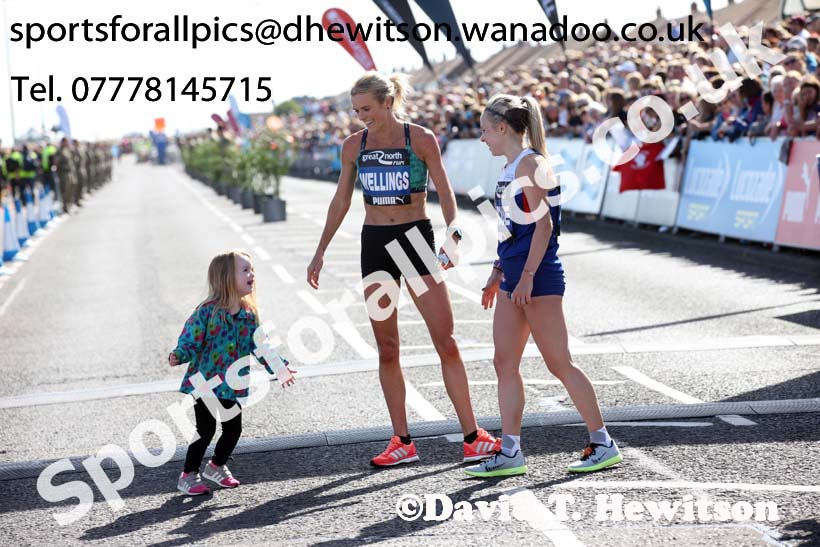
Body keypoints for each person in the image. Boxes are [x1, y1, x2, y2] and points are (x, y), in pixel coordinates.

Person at [307, 72, 500, 467]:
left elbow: (445, 191)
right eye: (356, 109)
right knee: (388, 348)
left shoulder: (420, 139)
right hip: (374, 245)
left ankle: (471, 435)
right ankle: (402, 440)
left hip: (415, 240)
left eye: (367, 109)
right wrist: (320, 250)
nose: (361, 116)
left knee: (445, 340)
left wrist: (454, 233)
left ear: (387, 103)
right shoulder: (353, 146)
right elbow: (341, 200)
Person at [464, 94, 623, 478]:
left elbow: (543, 226)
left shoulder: (532, 164)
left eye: (486, 130)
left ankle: (603, 442)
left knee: (558, 363)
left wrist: (528, 277)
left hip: (539, 276)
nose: (482, 138)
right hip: (515, 275)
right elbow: (510, 228)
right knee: (504, 362)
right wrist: (499, 272)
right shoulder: (510, 167)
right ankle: (511, 451)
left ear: (503, 128)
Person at [170, 250, 294, 495]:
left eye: (252, 269)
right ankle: (188, 474)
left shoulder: (249, 315)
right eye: (245, 270)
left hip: (231, 385)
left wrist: (279, 367)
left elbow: (261, 345)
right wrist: (180, 354)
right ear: (226, 278)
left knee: (233, 430)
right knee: (205, 430)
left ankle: (216, 466)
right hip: (204, 382)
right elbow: (190, 339)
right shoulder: (207, 312)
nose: (252, 274)